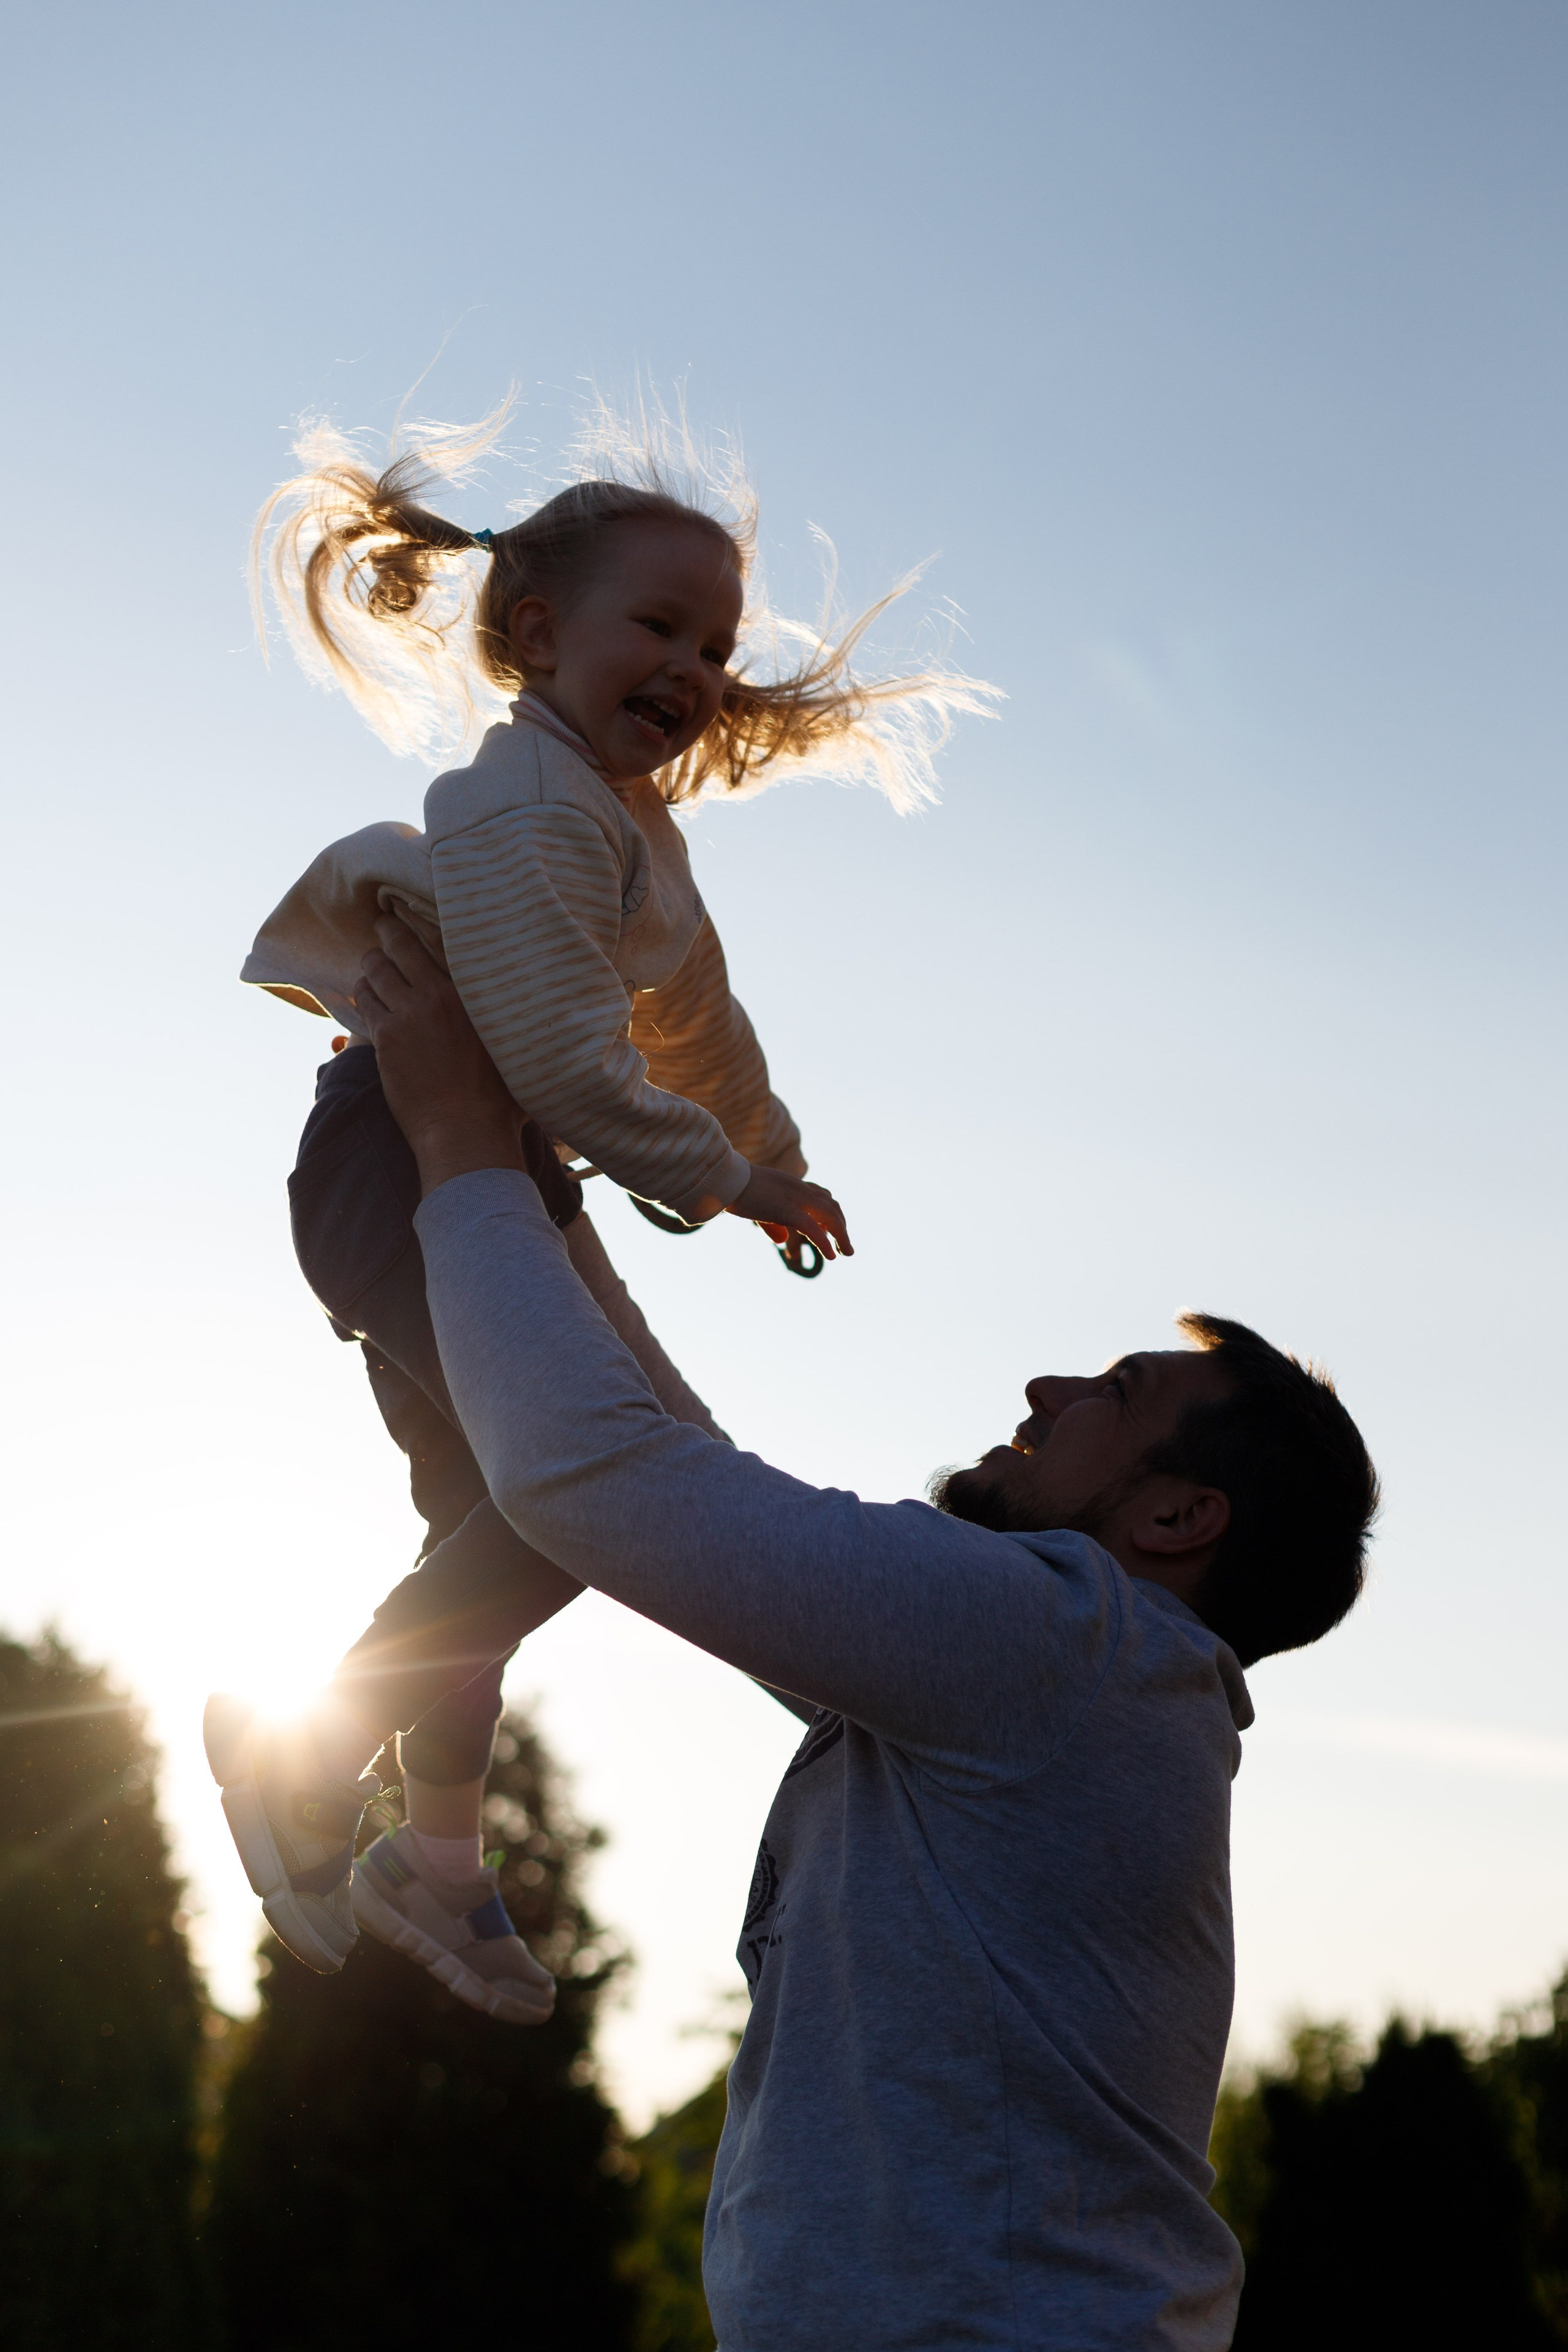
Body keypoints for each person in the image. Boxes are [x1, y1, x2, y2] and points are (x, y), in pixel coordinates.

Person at [337, 916, 1377, 2350]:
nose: (1045, 1384)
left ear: (1175, 1522)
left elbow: (597, 1479)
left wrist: (455, 1133)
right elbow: (674, 1468)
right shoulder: (1052, 1691)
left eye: (1114, 1393)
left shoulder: (1069, 1646)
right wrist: (539, 1196)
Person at [206, 401, 994, 2018]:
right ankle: (306, 1742)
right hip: (396, 1158)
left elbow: (692, 1023)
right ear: (543, 633)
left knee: (481, 1531)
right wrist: (720, 1175)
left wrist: (766, 1149)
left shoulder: (634, 829)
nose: (699, 669)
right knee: (556, 1504)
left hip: (484, 1170)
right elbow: (570, 1059)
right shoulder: (523, 808)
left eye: (718, 644)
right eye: (663, 627)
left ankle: (427, 1860)